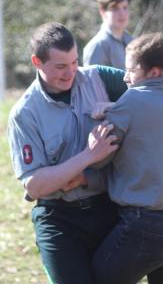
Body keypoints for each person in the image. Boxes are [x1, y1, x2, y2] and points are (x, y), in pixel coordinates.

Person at [8, 22, 128, 284]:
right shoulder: (24, 114)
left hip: (108, 207)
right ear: (36, 62)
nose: (71, 72)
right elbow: (36, 185)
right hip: (58, 218)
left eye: (74, 62)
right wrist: (88, 156)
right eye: (60, 66)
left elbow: (149, 94)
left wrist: (115, 108)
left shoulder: (100, 78)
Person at [88, 33, 163, 284]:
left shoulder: (130, 101)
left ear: (153, 72)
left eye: (130, 70)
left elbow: (98, 159)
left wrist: (98, 124)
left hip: (150, 223)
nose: (125, 77)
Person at [83, 0, 133, 69]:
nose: (122, 14)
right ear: (102, 11)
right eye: (115, 8)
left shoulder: (132, 41)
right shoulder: (97, 46)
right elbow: (93, 81)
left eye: (125, 7)